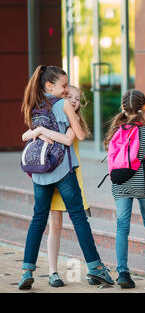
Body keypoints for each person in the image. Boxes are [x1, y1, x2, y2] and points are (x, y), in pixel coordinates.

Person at [18, 65, 113, 290]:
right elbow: (79, 135)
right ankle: (97, 268)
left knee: (38, 219)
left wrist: (40, 131)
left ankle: (26, 271)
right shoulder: (63, 105)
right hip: (64, 171)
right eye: (63, 85)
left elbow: (31, 134)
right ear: (50, 85)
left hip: (41, 173)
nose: (65, 90)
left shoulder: (34, 105)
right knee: (79, 218)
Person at [22, 85, 94, 287]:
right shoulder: (53, 120)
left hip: (70, 180)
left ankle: (93, 268)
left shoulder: (74, 121)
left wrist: (42, 132)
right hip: (52, 179)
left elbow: (68, 140)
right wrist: (38, 132)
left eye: (77, 99)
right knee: (55, 226)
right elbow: (25, 136)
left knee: (79, 223)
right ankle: (53, 272)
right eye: (69, 96)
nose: (73, 101)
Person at [103, 89, 145, 289]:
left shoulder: (116, 130)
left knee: (122, 226)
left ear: (123, 108)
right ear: (144, 107)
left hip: (120, 184)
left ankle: (122, 271)